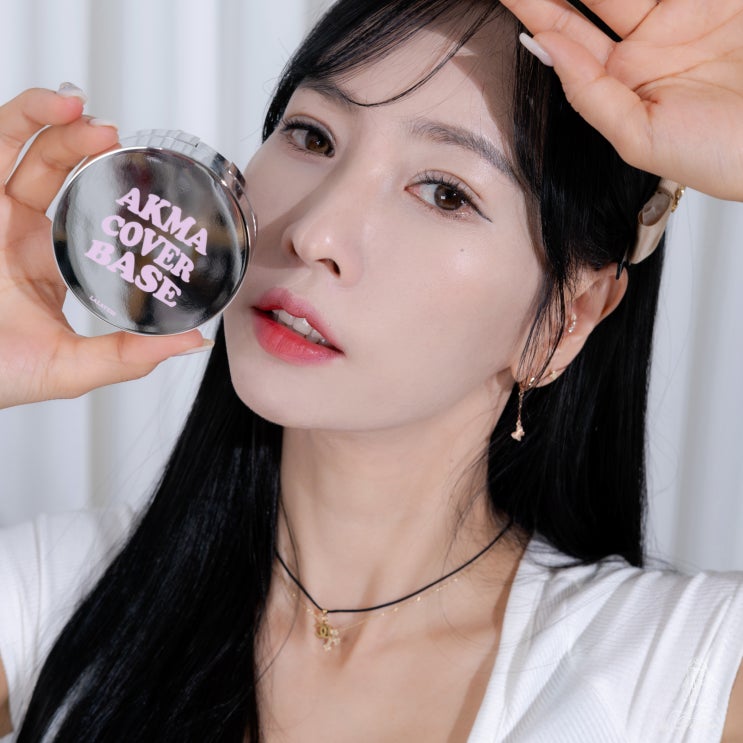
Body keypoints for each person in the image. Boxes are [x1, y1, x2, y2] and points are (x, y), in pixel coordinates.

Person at [0, 0, 742, 740]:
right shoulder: (53, 592)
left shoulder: (677, 670)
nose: (314, 232)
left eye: (445, 193)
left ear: (565, 318)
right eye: (312, 135)